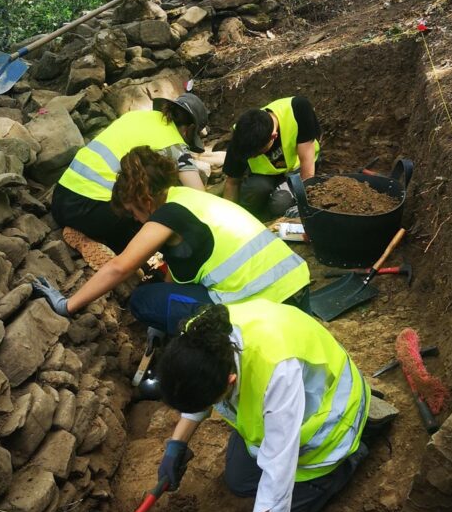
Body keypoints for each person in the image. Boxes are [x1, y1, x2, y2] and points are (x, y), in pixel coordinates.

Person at [154, 298, 388, 512]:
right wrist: (177, 445)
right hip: (278, 411)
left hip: (331, 422)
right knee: (239, 482)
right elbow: (195, 389)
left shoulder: (277, 371)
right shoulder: (198, 336)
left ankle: (354, 449)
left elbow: (278, 469)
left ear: (230, 381)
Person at [33, 146, 311, 334]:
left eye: (133, 212)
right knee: (158, 296)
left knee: (142, 300)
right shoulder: (191, 198)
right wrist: (163, 321)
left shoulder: (167, 214)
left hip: (265, 306)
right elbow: (179, 278)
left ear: (144, 199)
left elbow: (119, 267)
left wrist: (66, 304)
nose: (138, 221)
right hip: (296, 287)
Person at [51, 94, 208, 254]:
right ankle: (114, 248)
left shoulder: (135, 117)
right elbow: (199, 197)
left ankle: (94, 237)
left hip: (60, 199)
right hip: (92, 210)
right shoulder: (175, 143)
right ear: (190, 130)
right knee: (160, 219)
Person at [223, 95, 320, 219]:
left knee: (280, 204)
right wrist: (229, 218)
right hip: (264, 176)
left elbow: (307, 163)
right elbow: (232, 183)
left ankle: (273, 218)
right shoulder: (242, 135)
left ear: (273, 137)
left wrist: (304, 204)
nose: (253, 157)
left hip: (297, 170)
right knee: (255, 191)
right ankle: (256, 217)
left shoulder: (298, 109)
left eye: (257, 154)